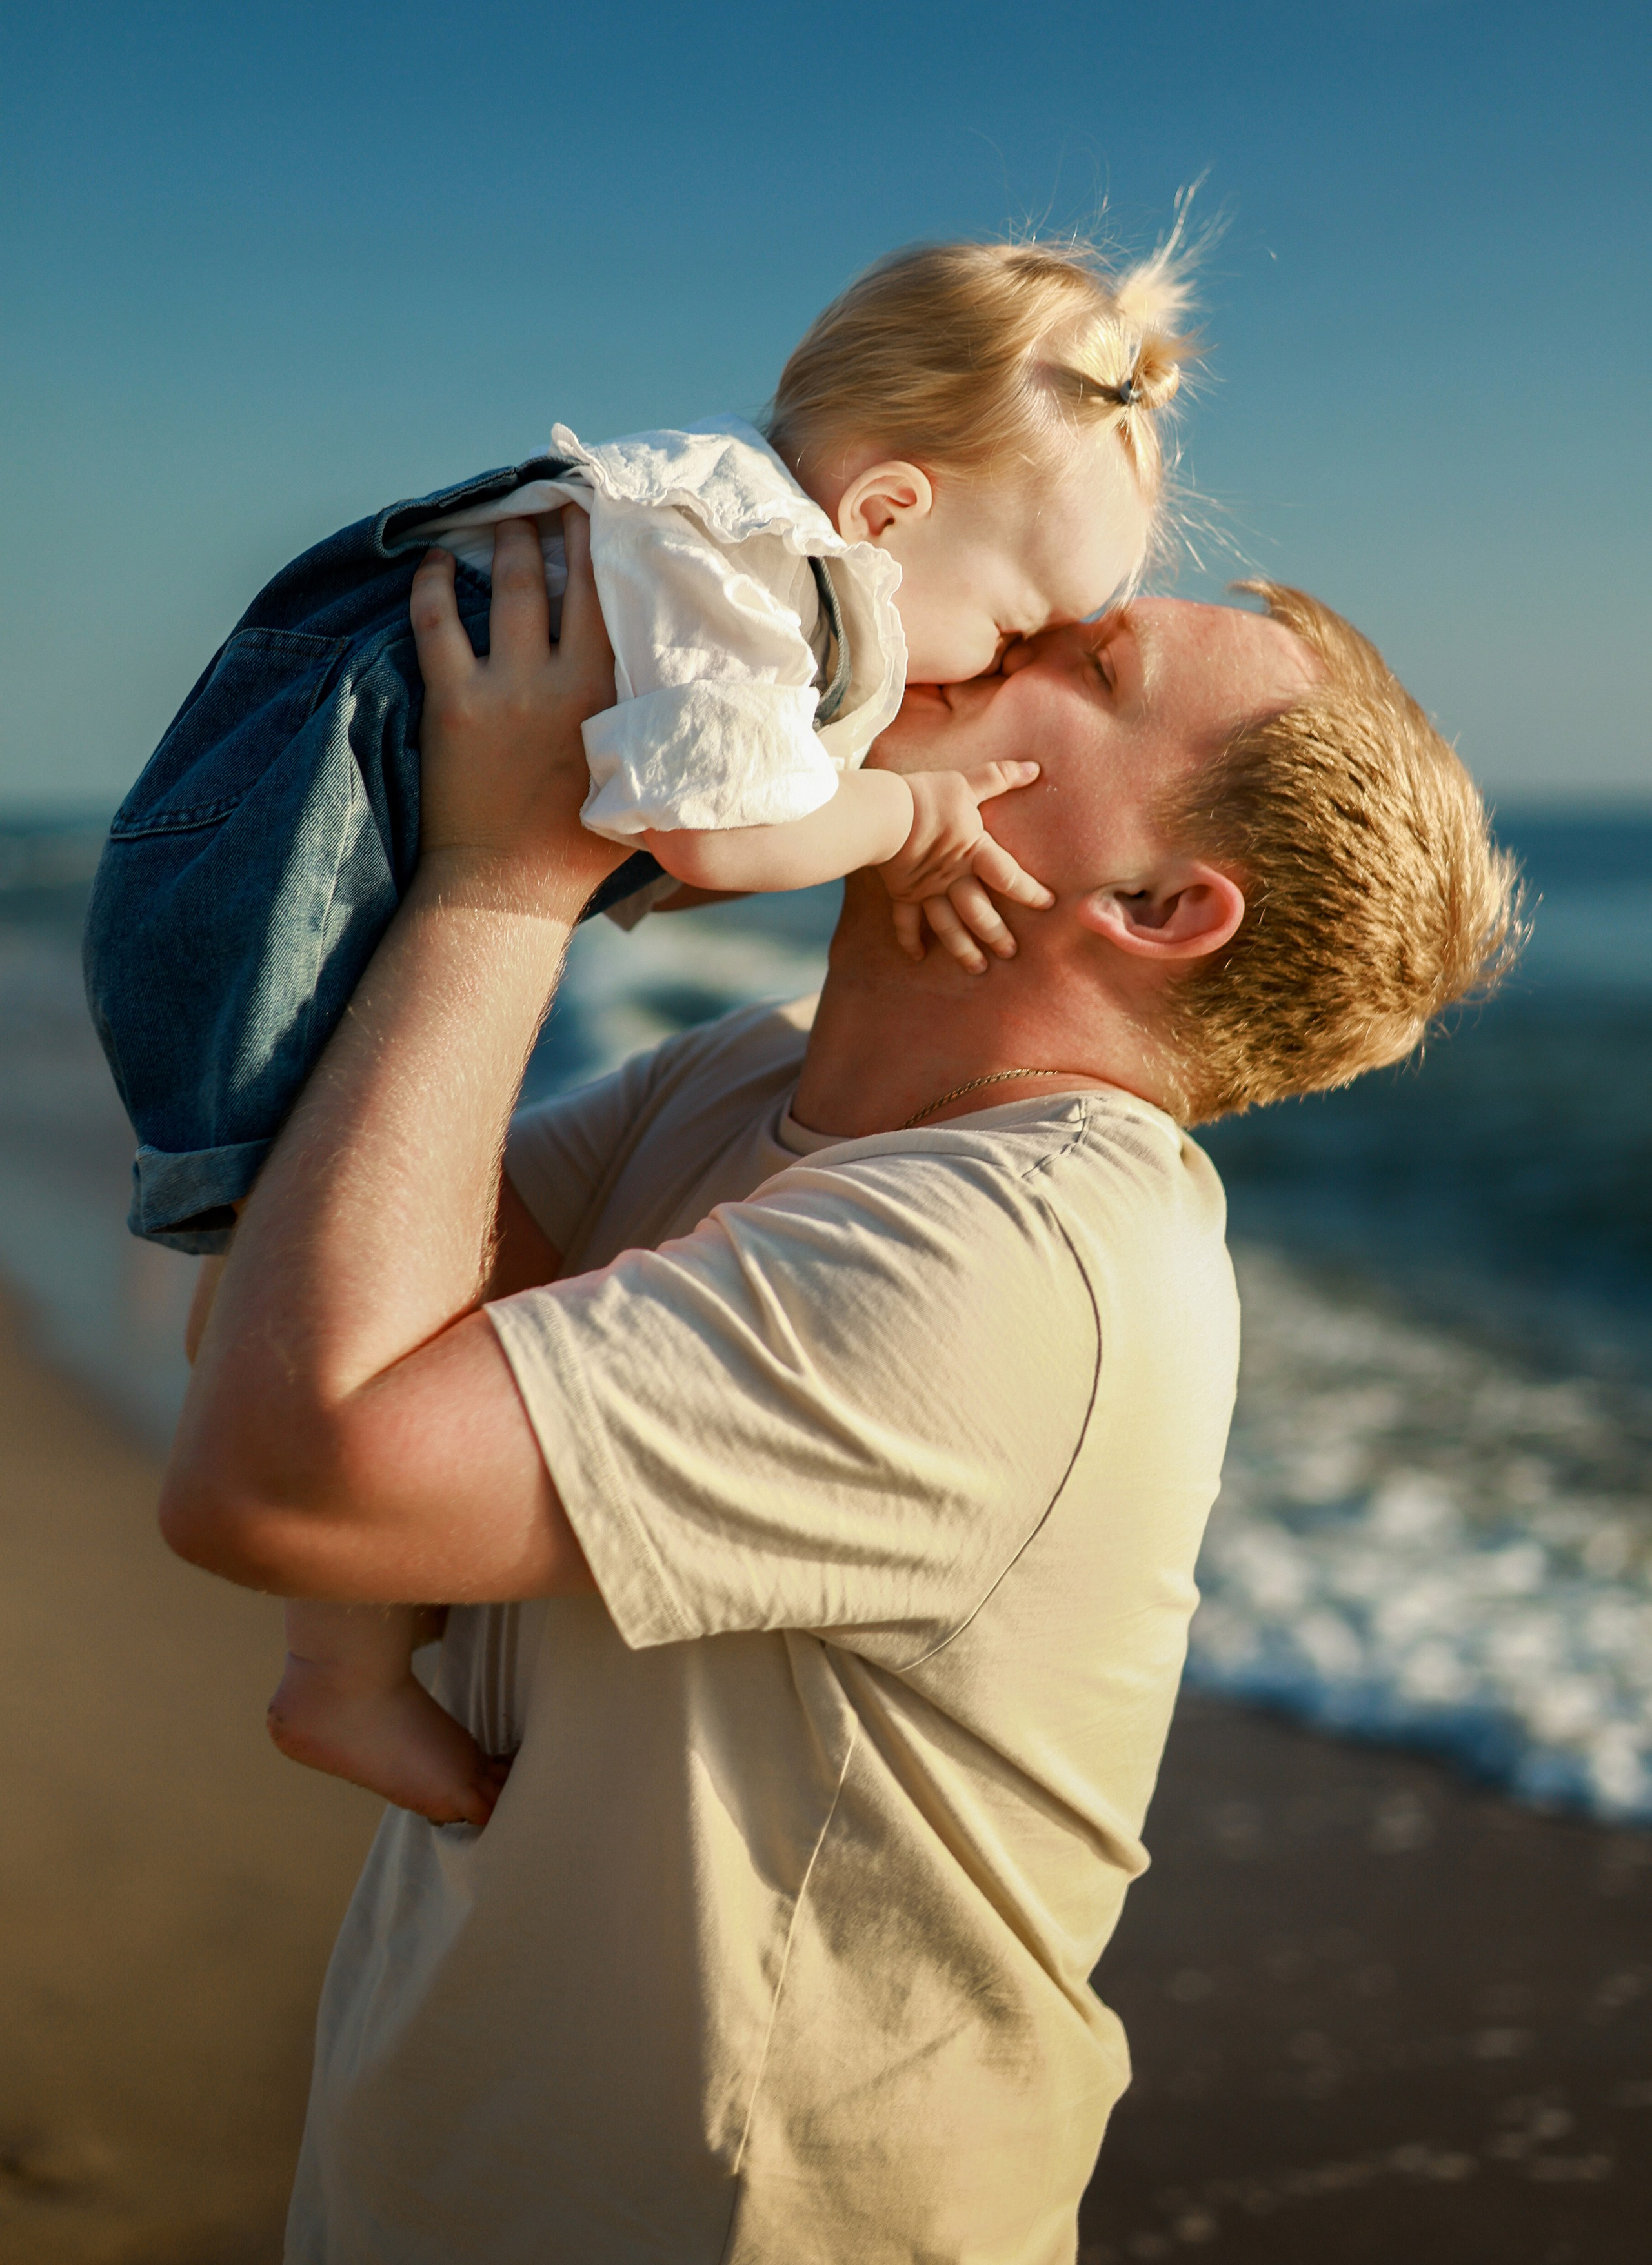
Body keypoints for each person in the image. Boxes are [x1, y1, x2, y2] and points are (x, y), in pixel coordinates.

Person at [161, 514, 1518, 2264]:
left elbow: (287, 1479)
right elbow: (265, 1346)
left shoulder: (1026, 1254)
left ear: (1156, 906)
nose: (998, 633)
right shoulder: (747, 1077)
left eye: (1085, 667)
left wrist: (510, 875)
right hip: (439, 2174)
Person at [92, 234, 1189, 1820]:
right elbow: (721, 845)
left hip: (275, 839)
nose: (997, 664)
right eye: (1020, 625)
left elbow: (649, 831)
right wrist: (903, 817)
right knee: (333, 1248)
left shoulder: (703, 521)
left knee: (307, 1236)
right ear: (885, 517)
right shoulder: (761, 587)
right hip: (307, 876)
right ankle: (337, 1674)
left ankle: (311, 1520)